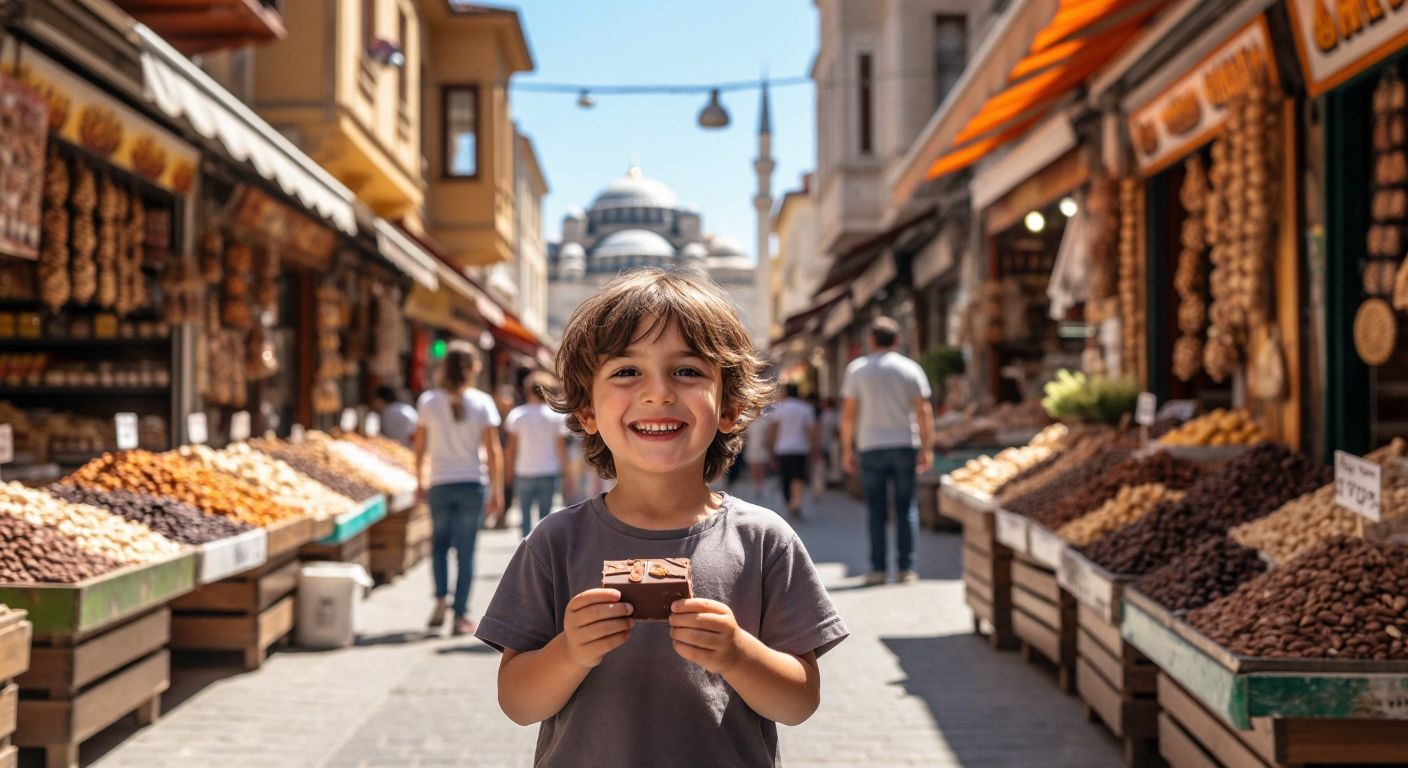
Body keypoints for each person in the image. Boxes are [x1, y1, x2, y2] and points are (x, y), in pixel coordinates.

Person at [475, 268, 848, 766]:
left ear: (730, 407)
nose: (658, 393)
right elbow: (517, 703)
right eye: (627, 372)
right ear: (587, 412)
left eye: (688, 371)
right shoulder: (554, 542)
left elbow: (799, 701)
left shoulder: (764, 540)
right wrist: (571, 652)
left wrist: (737, 653)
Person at [414, 342, 503, 636]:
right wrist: (498, 491)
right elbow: (493, 451)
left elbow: (419, 446)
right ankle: (461, 615)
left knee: (438, 547)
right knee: (466, 552)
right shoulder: (482, 402)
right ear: (473, 368)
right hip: (471, 484)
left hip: (440, 482)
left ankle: (440, 598)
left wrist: (419, 479)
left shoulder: (428, 401)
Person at [840, 317, 934, 587]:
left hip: (870, 446)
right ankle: (907, 568)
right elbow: (923, 411)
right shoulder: (910, 368)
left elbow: (849, 414)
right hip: (905, 443)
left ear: (870, 341)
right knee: (906, 508)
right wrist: (927, 447)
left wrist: (847, 448)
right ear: (897, 341)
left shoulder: (857, 370)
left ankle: (878, 568)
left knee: (876, 510)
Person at [505, 373, 573, 537]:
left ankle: (526, 553)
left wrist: (508, 473)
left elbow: (511, 449)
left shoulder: (518, 415)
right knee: (546, 518)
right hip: (548, 471)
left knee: (525, 516)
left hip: (524, 471)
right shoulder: (556, 417)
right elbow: (560, 448)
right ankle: (544, 553)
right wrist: (566, 472)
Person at [768, 382, 818, 519]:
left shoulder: (779, 408)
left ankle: (789, 502)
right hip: (801, 449)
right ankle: (796, 502)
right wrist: (814, 448)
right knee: (798, 476)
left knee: (785, 478)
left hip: (783, 449)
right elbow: (812, 431)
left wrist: (771, 449)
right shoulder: (806, 408)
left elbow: (772, 430)